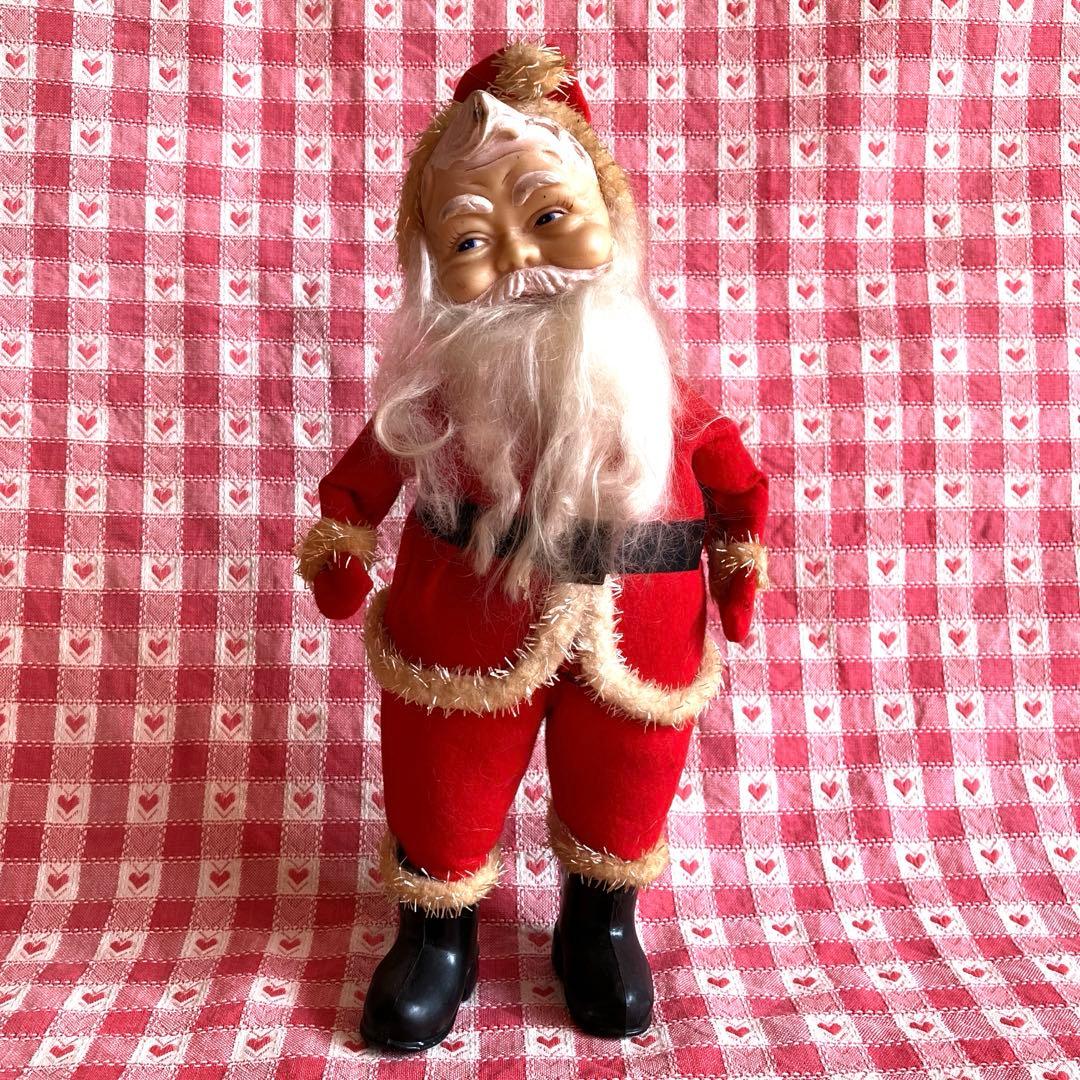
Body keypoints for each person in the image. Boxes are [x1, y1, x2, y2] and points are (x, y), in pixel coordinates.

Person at [295, 40, 770, 1053]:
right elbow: (367, 471)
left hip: (642, 633)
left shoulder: (649, 382)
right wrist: (342, 538)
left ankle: (600, 927)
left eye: (549, 216)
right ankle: (437, 937)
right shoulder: (438, 395)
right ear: (435, 263)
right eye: (473, 238)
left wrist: (739, 564)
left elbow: (733, 476)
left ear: (610, 214)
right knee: (443, 777)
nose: (518, 258)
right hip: (460, 627)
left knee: (625, 784)